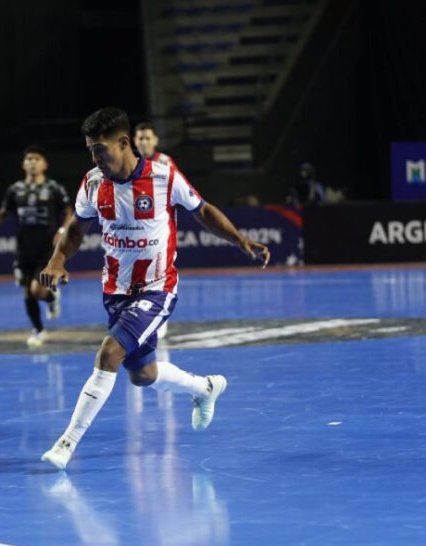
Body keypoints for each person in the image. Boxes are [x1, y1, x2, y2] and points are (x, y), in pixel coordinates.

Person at [38, 108, 270, 470]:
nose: (95, 158)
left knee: (109, 354)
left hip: (157, 288)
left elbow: (202, 210)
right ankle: (206, 388)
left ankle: (66, 444)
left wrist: (240, 240)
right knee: (142, 374)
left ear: (124, 143)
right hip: (115, 290)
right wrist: (57, 260)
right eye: (90, 151)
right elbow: (75, 231)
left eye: (100, 149)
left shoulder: (164, 177)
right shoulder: (93, 183)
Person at [0, 145, 73, 347]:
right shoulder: (15, 189)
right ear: (23, 164)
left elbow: (68, 212)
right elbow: (3, 212)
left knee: (38, 290)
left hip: (47, 247)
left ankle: (51, 298)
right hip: (23, 248)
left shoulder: (54, 188)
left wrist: (63, 232)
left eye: (37, 159)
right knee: (27, 292)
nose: (32, 163)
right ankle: (39, 330)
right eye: (29, 159)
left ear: (45, 164)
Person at [133, 122, 178, 339]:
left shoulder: (165, 163)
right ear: (134, 141)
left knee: (160, 272)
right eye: (140, 138)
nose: (144, 142)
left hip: (160, 231)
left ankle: (160, 318)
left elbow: (177, 192)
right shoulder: (131, 164)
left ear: (155, 141)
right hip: (136, 232)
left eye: (147, 138)